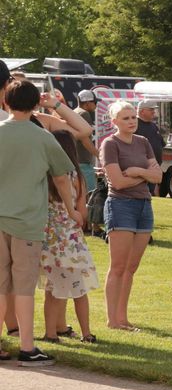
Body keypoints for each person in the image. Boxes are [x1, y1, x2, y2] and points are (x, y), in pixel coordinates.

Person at [0, 80, 78, 366]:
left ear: (5, 102)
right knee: (23, 286)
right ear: (35, 105)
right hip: (28, 221)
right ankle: (27, 347)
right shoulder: (43, 137)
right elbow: (61, 177)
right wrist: (71, 210)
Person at [100, 101, 161, 331]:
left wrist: (137, 172)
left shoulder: (143, 142)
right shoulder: (110, 144)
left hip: (144, 206)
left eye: (133, 117)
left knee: (131, 267)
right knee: (118, 266)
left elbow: (157, 177)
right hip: (120, 204)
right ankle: (112, 320)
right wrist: (145, 176)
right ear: (114, 121)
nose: (131, 121)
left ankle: (123, 319)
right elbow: (118, 182)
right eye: (125, 118)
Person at [40, 130, 99, 344]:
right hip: (73, 240)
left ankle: (51, 333)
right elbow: (82, 213)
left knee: (52, 290)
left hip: (51, 239)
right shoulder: (78, 177)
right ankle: (87, 333)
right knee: (79, 289)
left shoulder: (45, 176)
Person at [73, 89, 100, 195]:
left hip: (75, 160)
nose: (96, 105)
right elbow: (85, 140)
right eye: (95, 102)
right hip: (83, 161)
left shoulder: (75, 112)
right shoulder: (84, 114)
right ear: (88, 103)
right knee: (89, 195)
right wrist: (99, 155)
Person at [134, 100, 166, 166]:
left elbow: (161, 143)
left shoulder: (153, 125)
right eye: (151, 109)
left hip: (156, 165)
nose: (153, 112)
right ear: (142, 111)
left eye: (153, 109)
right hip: (142, 166)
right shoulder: (134, 125)